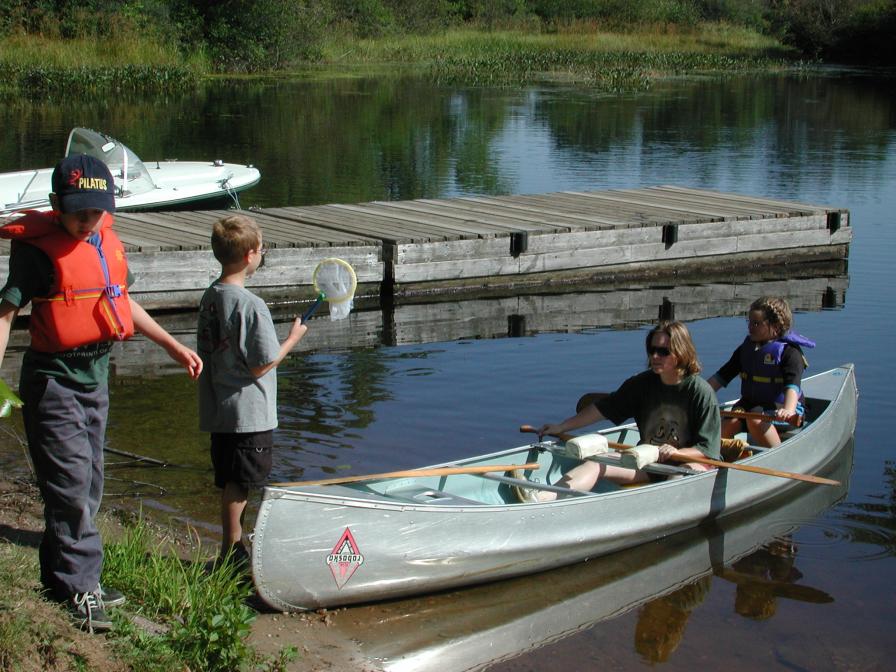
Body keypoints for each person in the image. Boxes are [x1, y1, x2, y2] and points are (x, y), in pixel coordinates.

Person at [0, 154, 203, 633]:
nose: (87, 222)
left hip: (97, 376)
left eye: (95, 212)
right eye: (77, 213)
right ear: (56, 205)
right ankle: (82, 589)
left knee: (88, 484)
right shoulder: (36, 252)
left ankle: (61, 578)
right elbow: (5, 315)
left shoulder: (105, 243)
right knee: (70, 485)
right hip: (53, 380)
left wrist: (173, 345)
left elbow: (120, 300)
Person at [197, 214, 307, 570]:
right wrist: (292, 340)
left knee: (232, 479)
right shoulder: (251, 305)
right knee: (242, 483)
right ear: (249, 256)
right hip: (249, 413)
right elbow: (263, 363)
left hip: (219, 407)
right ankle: (232, 551)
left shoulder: (210, 296)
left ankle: (232, 547)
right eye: (261, 249)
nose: (261, 254)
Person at [523, 321, 721, 501]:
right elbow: (604, 409)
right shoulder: (641, 384)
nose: (654, 356)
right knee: (595, 465)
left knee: (676, 477)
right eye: (652, 350)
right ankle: (538, 499)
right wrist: (562, 426)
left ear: (680, 352)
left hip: (690, 464)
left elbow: (708, 448)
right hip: (648, 461)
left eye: (663, 351)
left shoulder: (700, 392)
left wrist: (677, 452)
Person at [708, 297, 814, 447]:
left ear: (776, 327)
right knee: (730, 422)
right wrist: (698, 396)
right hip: (750, 407)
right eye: (749, 322)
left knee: (756, 419)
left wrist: (788, 410)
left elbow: (792, 387)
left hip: (781, 410)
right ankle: (716, 459)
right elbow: (720, 377)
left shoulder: (789, 353)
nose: (750, 327)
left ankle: (777, 456)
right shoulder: (746, 350)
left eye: (756, 323)